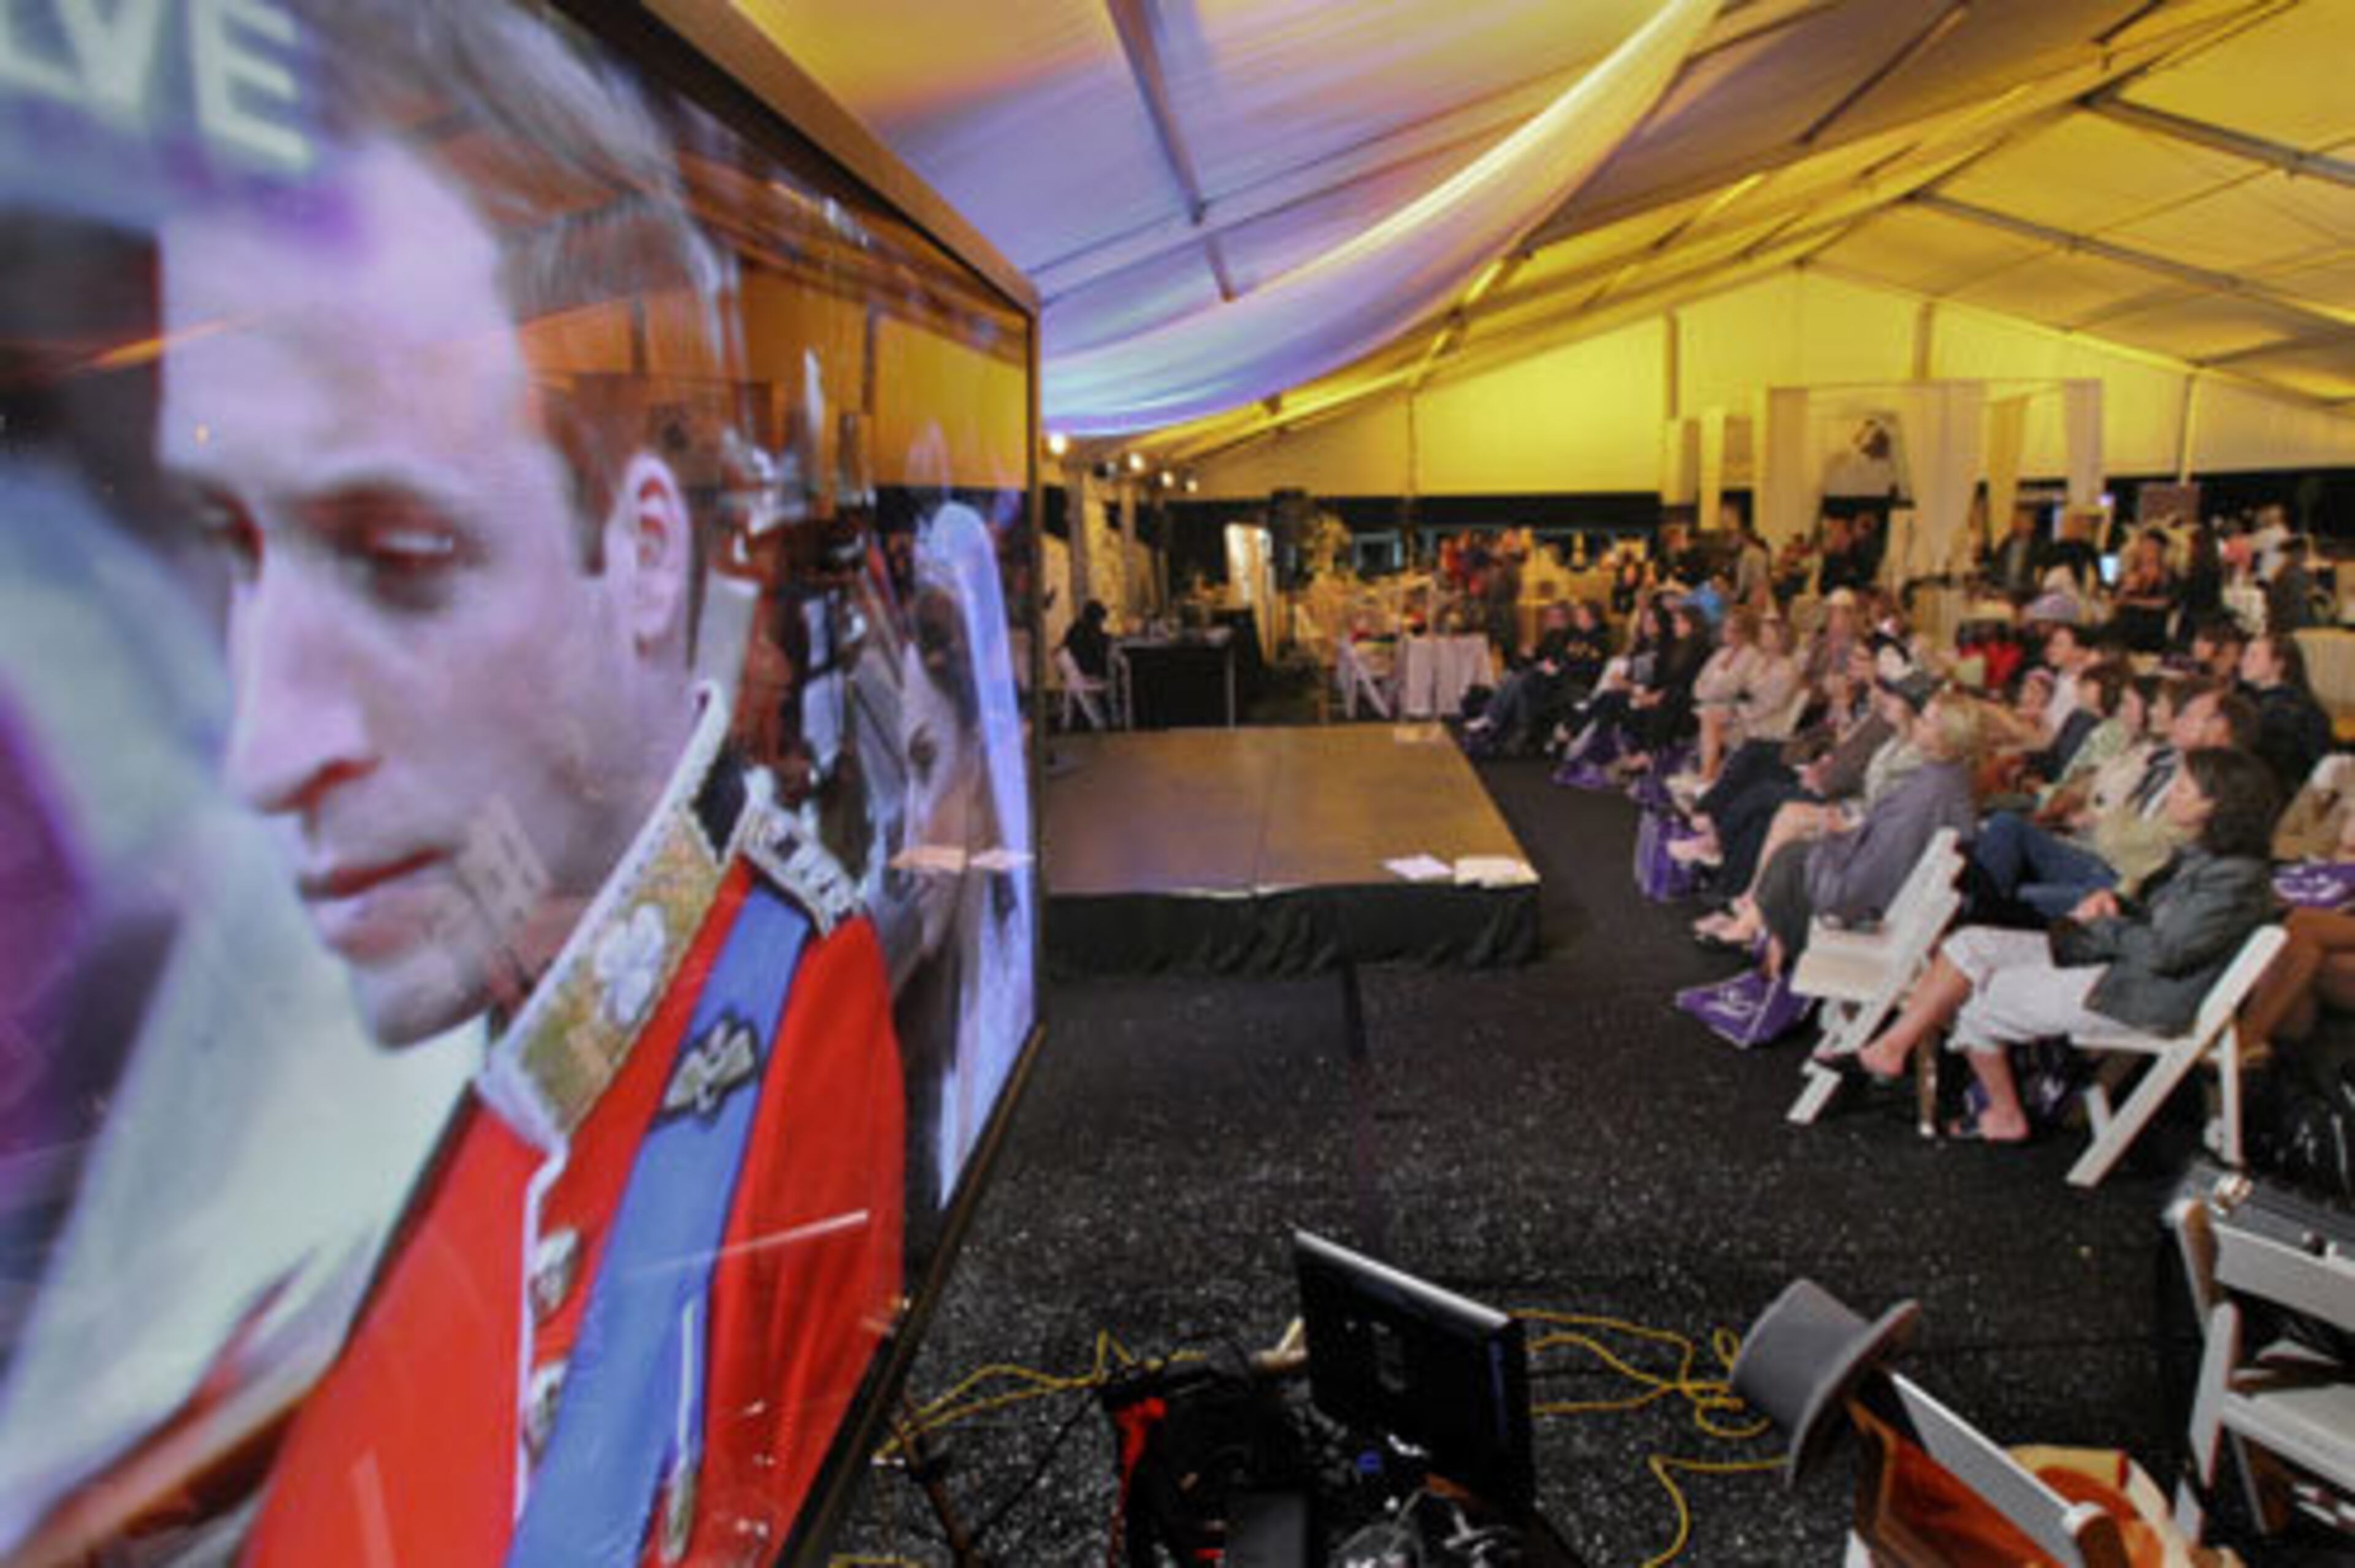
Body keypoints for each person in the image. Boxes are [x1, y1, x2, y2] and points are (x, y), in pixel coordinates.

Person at [155, 7, 906, 1561]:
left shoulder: (772, 1018)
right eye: (233, 545)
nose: (264, 747)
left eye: (397, 557)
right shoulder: (369, 1068)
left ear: (643, 554)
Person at [1845, 747, 2281, 1143]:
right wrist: (2115, 905)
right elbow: (2164, 926)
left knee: (1979, 997)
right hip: (2120, 966)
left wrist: (2106, 924)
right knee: (1970, 945)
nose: (2172, 793)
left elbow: (2167, 951)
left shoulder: (2233, 879)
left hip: (2134, 994)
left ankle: (2006, 1113)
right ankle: (1892, 1047)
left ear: (2218, 806)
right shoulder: (2206, 858)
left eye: (2184, 788)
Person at [2240, 630, 2333, 795]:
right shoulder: (2260, 699)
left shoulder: (2287, 711)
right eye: (2245, 654)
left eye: (2253, 656)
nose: (2243, 662)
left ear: (2278, 664)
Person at [1064, 597, 1113, 681]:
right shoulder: (1081, 633)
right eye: (1100, 621)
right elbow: (1093, 650)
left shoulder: (1078, 629)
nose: (1101, 624)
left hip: (1083, 672)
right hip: (1087, 673)